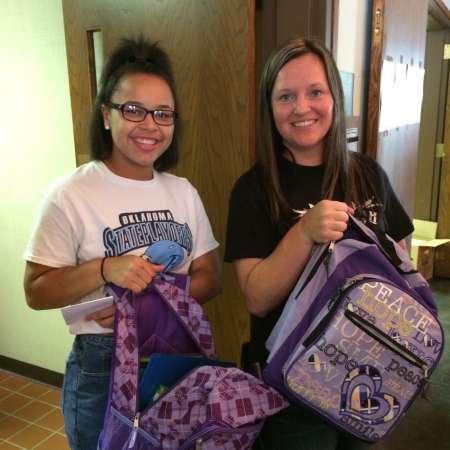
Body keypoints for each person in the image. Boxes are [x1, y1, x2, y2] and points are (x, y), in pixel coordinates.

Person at [23, 37, 221, 450]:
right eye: (133, 109)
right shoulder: (69, 194)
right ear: (107, 116)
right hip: (103, 363)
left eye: (163, 113)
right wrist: (102, 268)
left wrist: (147, 309)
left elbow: (210, 277)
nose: (150, 125)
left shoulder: (183, 191)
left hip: (176, 357)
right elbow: (36, 291)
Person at [225, 37, 413, 450]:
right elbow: (256, 298)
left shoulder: (369, 174)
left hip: (368, 376)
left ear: (334, 97)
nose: (301, 107)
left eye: (315, 92)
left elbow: (403, 264)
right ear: (269, 108)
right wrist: (304, 232)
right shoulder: (252, 190)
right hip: (292, 386)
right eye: (285, 96)